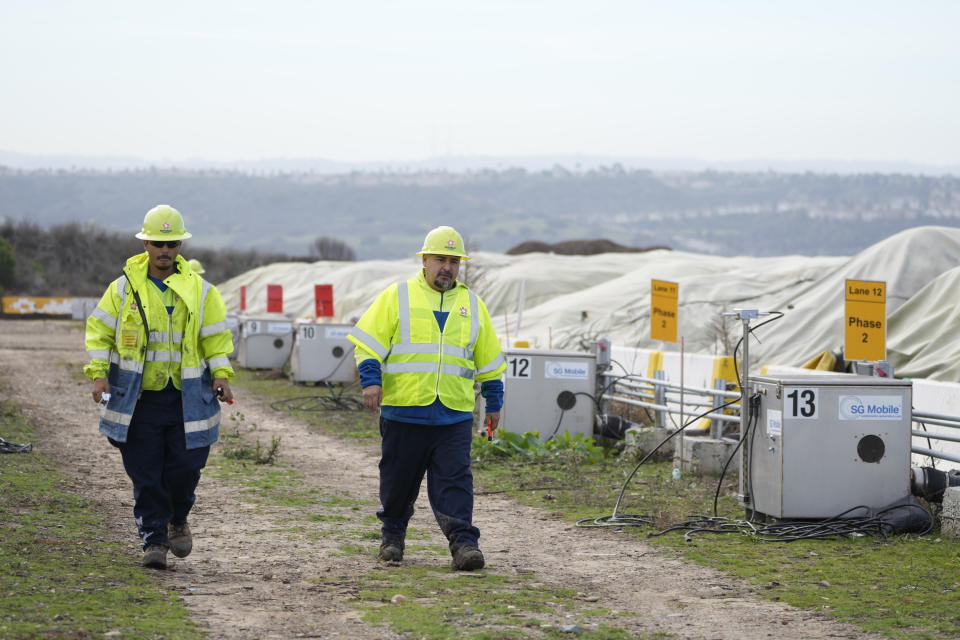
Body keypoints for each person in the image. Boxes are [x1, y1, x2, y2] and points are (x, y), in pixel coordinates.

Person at [84, 204, 235, 569]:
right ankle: (153, 538)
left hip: (188, 398)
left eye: (171, 244)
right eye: (157, 243)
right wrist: (98, 374)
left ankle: (178, 517)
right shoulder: (122, 290)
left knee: (186, 469)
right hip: (139, 399)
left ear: (179, 246)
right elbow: (100, 332)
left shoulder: (201, 291)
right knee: (146, 472)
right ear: (146, 244)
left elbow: (215, 338)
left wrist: (221, 375)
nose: (164, 250)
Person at [348, 225, 506, 571]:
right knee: (398, 483)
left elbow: (490, 360)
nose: (446, 267)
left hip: (454, 414)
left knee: (456, 481)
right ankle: (392, 537)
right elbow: (368, 344)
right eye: (440, 259)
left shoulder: (472, 305)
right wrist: (371, 382)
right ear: (424, 260)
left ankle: (464, 543)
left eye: (453, 260)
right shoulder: (397, 296)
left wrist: (493, 402)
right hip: (404, 411)